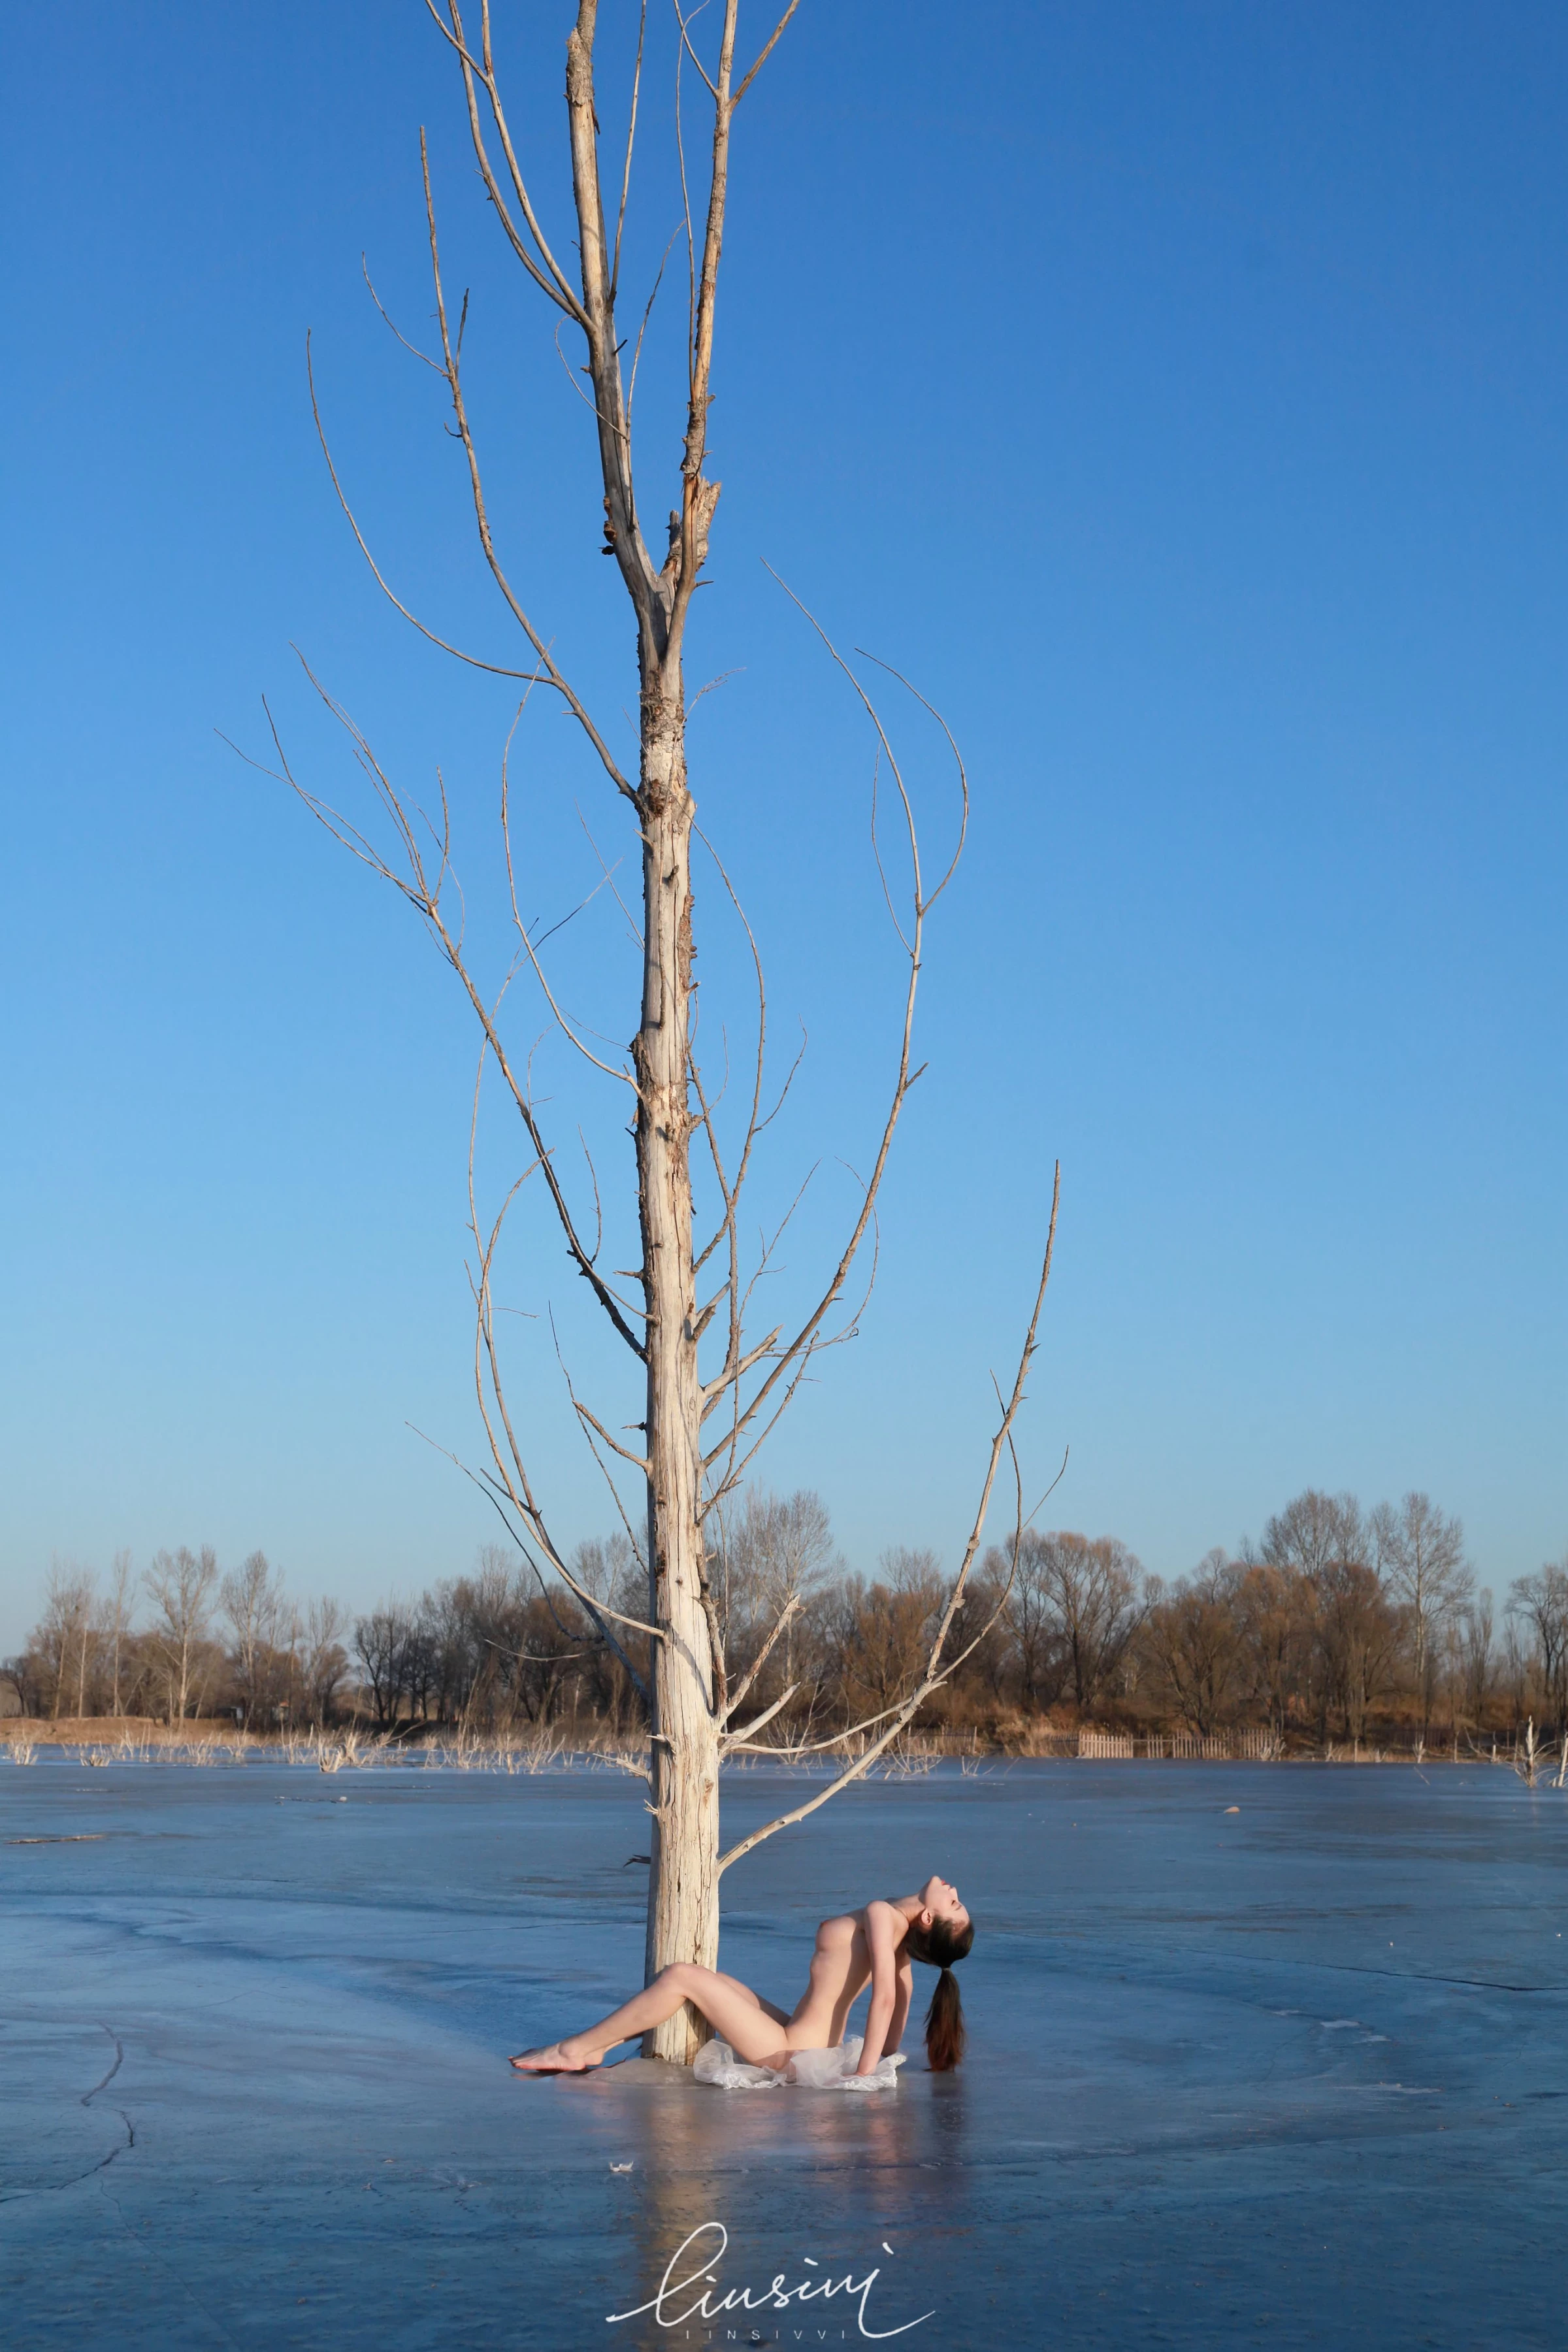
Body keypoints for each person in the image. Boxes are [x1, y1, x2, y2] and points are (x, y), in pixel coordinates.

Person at [510, 1873, 974, 2078]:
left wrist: (866, 2075)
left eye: (953, 1903)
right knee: (712, 1979)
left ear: (929, 1919)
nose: (953, 1890)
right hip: (802, 2038)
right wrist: (888, 2054)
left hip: (791, 2049)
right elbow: (903, 1998)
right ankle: (605, 2043)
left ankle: (574, 2050)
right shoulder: (898, 1935)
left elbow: (888, 2001)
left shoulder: (883, 1916)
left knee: (680, 1977)